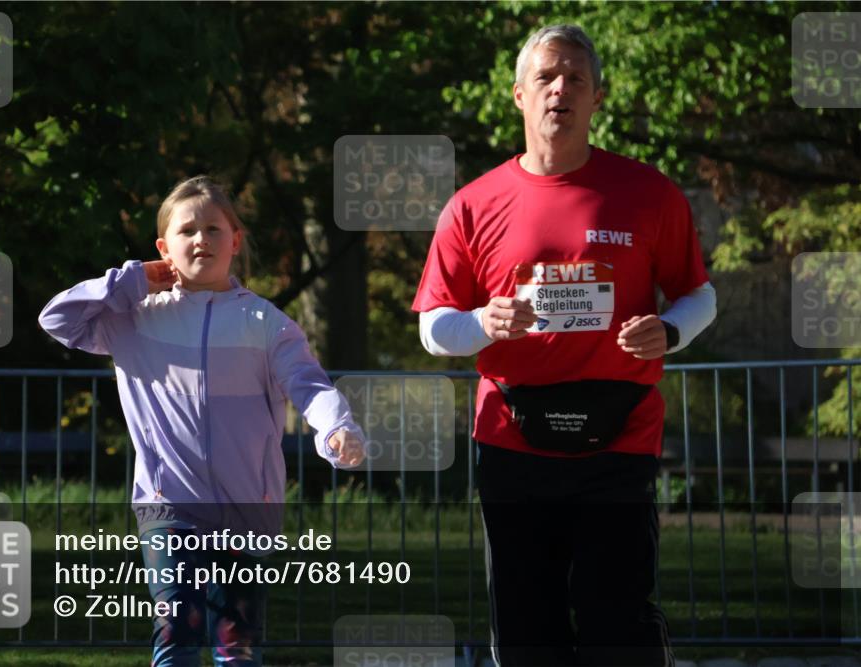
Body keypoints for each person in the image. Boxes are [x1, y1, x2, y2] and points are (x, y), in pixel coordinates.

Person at [412, 24, 716, 667]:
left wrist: (671, 331)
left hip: (622, 436)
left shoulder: (648, 192)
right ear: (519, 95)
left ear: (597, 98)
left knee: (617, 622)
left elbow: (699, 294)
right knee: (527, 626)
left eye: (576, 78)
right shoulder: (472, 205)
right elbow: (433, 326)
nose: (561, 89)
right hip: (511, 436)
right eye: (547, 77)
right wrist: (483, 323)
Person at [38, 175, 366, 667]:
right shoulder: (133, 317)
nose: (201, 240)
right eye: (187, 230)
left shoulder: (266, 323)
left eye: (214, 229)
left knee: (236, 646)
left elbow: (308, 384)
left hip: (249, 509)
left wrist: (337, 427)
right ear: (163, 247)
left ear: (235, 241)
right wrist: (133, 281)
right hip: (168, 504)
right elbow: (57, 319)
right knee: (178, 630)